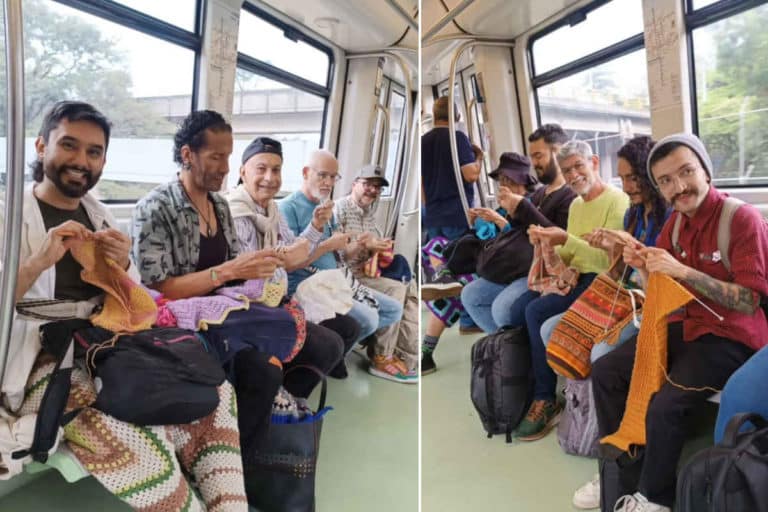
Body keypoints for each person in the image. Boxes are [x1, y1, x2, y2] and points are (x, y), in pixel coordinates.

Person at [4, 101, 247, 511]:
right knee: (136, 442)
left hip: (105, 341)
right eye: (70, 145)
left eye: (94, 152)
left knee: (218, 395)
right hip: (40, 357)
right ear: (42, 146)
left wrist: (124, 264)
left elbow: (132, 300)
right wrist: (36, 263)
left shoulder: (98, 216)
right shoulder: (7, 214)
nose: (82, 160)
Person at [131, 111, 343, 451]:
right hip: (182, 322)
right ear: (187, 155)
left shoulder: (217, 204)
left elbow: (233, 268)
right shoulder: (154, 209)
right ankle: (244, 455)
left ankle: (269, 415)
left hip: (227, 308)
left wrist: (254, 270)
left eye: (228, 157)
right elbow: (161, 290)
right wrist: (231, 272)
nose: (226, 167)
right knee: (263, 371)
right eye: (216, 157)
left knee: (327, 345)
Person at [589, 133, 768, 512]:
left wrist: (682, 270)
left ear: (706, 170)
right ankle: (622, 468)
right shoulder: (673, 226)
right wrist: (639, 264)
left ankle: (655, 498)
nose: (679, 186)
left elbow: (750, 301)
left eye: (686, 172)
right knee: (606, 370)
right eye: (666, 181)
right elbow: (662, 283)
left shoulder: (741, 219)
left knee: (665, 404)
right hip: (687, 326)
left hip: (732, 337)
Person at [506, 140, 629, 442]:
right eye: (567, 170)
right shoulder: (575, 205)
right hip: (578, 277)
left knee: (535, 312)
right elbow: (573, 257)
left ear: (595, 163)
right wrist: (548, 245)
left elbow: (610, 262)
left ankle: (545, 397)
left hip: (605, 283)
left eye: (578, 166)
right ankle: (533, 384)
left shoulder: (617, 201)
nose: (573, 175)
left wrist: (565, 241)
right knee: (520, 307)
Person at [225, 136, 361, 379]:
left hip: (277, 296)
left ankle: (288, 387)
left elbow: (295, 250)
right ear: (243, 172)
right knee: (328, 345)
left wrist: (316, 225)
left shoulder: (271, 210)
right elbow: (282, 261)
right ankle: (282, 393)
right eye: (261, 169)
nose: (269, 177)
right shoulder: (237, 213)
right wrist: (291, 254)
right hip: (249, 305)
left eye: (275, 170)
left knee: (349, 328)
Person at [541, 136, 672, 364]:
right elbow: (617, 270)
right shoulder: (633, 213)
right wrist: (613, 249)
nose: (627, 187)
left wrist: (625, 249)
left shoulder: (670, 217)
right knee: (549, 329)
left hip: (648, 301)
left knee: (599, 351)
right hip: (623, 292)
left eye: (633, 178)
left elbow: (662, 279)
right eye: (622, 179)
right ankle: (581, 397)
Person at [278, 150, 404, 359]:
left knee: (394, 309)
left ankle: (338, 349)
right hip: (308, 284)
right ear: (306, 172)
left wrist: (363, 245)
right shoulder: (288, 208)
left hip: (338, 279)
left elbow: (341, 253)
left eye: (333, 177)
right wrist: (327, 246)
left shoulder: (325, 206)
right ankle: (334, 355)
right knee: (370, 320)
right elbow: (290, 264)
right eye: (323, 175)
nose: (328, 182)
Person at [460, 128, 576, 334]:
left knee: (502, 309)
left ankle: (515, 353)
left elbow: (560, 239)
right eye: (532, 157)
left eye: (538, 155)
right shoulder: (540, 193)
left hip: (543, 270)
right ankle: (507, 350)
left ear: (557, 152)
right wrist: (508, 214)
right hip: (521, 263)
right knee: (470, 295)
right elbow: (518, 233)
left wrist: (521, 208)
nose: (535, 163)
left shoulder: (570, 196)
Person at [334, 163, 419, 382]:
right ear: (354, 184)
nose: (373, 190)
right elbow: (337, 257)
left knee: (409, 287)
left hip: (366, 272)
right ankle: (382, 356)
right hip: (346, 275)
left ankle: (406, 355)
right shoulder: (340, 210)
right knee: (397, 289)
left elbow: (375, 250)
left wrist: (380, 248)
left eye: (377, 188)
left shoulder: (369, 215)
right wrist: (366, 246)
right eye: (368, 185)